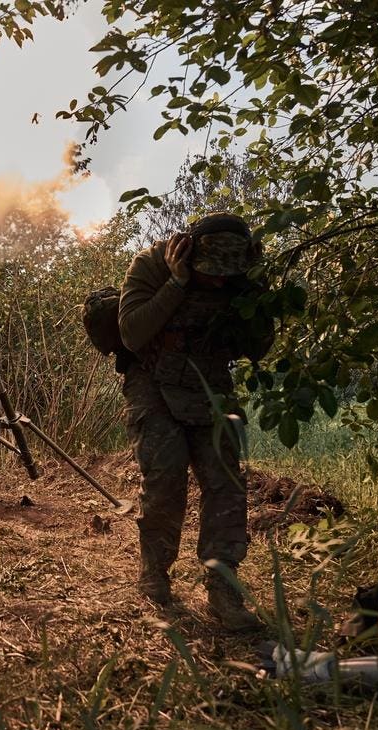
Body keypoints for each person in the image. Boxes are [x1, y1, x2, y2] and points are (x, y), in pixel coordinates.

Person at [118, 213, 273, 631]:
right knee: (165, 478)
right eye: (211, 272)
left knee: (226, 484)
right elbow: (132, 334)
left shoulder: (243, 277)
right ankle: (154, 572)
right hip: (152, 379)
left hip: (210, 383)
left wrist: (255, 289)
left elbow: (259, 347)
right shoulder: (150, 265)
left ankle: (223, 588)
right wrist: (177, 283)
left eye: (227, 275)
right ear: (188, 253)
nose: (219, 282)